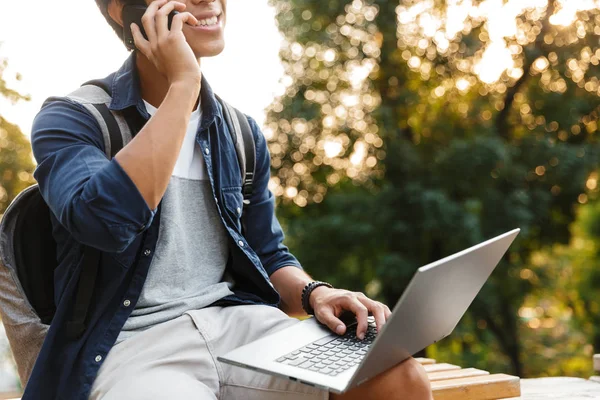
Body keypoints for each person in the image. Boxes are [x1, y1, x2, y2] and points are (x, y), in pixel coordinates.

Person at [27, 0, 434, 399]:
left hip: (239, 327)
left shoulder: (240, 133)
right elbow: (103, 223)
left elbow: (268, 254)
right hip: (132, 345)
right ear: (123, 9)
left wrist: (316, 294)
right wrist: (183, 87)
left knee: (399, 378)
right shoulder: (73, 118)